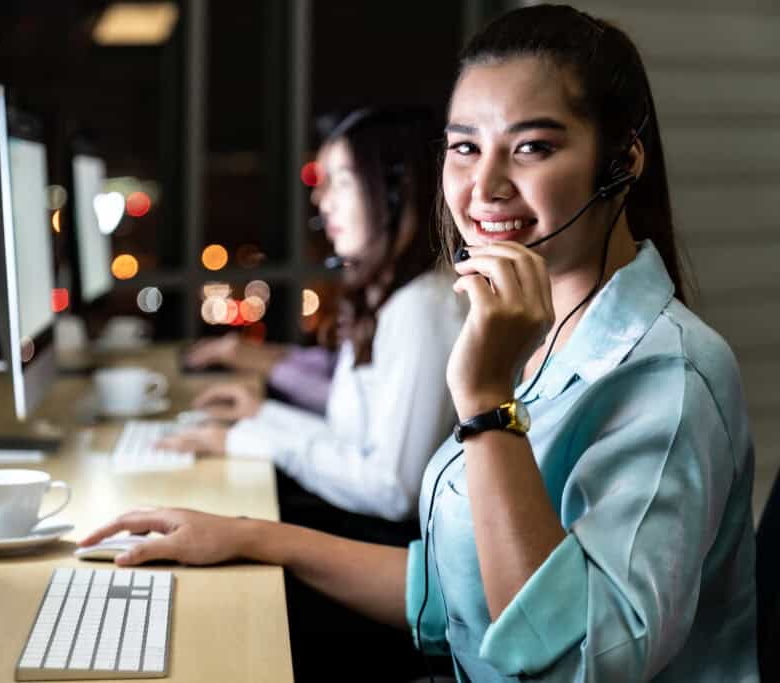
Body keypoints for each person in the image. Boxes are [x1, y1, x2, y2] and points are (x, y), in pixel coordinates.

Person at [83, 5, 758, 681]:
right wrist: (247, 535)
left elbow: (573, 667)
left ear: (620, 162)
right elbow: (450, 596)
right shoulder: (537, 334)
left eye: (532, 147)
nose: (485, 186)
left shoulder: (670, 375)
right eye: (464, 147)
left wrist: (486, 399)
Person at [161, 108, 467, 530]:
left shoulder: (422, 307)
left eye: (341, 181)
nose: (321, 200)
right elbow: (352, 441)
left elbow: (393, 489)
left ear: (396, 194)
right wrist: (262, 416)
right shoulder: (390, 299)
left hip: (379, 544)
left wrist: (245, 438)